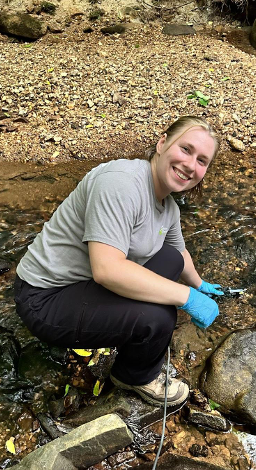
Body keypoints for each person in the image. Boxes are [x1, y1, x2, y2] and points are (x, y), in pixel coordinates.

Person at [14, 115, 225, 408]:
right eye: (186, 149)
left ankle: (116, 337)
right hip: (43, 298)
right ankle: (134, 376)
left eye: (202, 160)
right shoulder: (121, 183)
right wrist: (186, 297)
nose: (191, 165)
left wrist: (201, 286)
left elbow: (180, 253)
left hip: (82, 286)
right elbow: (107, 269)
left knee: (170, 261)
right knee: (159, 319)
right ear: (162, 143)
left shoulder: (169, 208)